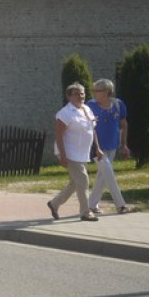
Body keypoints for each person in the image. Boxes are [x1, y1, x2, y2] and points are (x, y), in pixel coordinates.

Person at [48, 83, 103, 222]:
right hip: (70, 153)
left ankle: (54, 203)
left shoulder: (87, 109)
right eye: (76, 93)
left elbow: (92, 129)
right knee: (83, 180)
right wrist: (63, 155)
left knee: (75, 183)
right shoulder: (65, 113)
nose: (80, 96)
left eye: (82, 93)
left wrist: (97, 148)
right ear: (69, 97)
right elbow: (58, 136)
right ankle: (85, 212)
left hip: (82, 153)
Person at [88, 78, 133, 214]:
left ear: (107, 91)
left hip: (112, 145)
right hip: (96, 147)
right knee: (109, 173)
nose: (95, 93)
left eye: (98, 90)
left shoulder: (118, 104)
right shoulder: (90, 105)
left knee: (102, 176)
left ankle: (91, 205)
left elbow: (123, 125)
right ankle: (121, 205)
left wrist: (124, 144)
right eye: (94, 90)